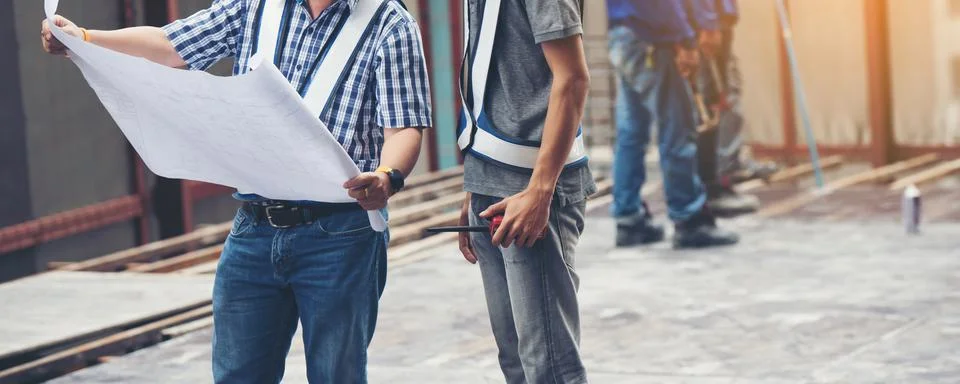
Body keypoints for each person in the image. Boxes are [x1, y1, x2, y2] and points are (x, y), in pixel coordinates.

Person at [41, 0, 432, 382]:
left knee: (335, 374)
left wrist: (387, 176)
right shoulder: (254, 6)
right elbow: (169, 45)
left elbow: (404, 126)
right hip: (254, 228)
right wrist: (85, 38)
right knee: (238, 373)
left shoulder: (389, 24)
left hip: (340, 233)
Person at [454, 0, 593, 382]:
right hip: (489, 182)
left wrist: (541, 191)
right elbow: (489, 80)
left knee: (549, 366)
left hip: (531, 190)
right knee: (516, 362)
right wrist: (474, 184)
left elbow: (573, 79)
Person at [605, 0, 739, 248]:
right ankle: (689, 218)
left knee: (631, 132)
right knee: (677, 130)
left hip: (623, 32)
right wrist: (686, 39)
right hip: (654, 37)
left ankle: (628, 219)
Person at [691, 0, 763, 217]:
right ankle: (712, 187)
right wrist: (708, 23)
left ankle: (713, 184)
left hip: (715, 21)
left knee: (718, 101)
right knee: (711, 106)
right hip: (709, 22)